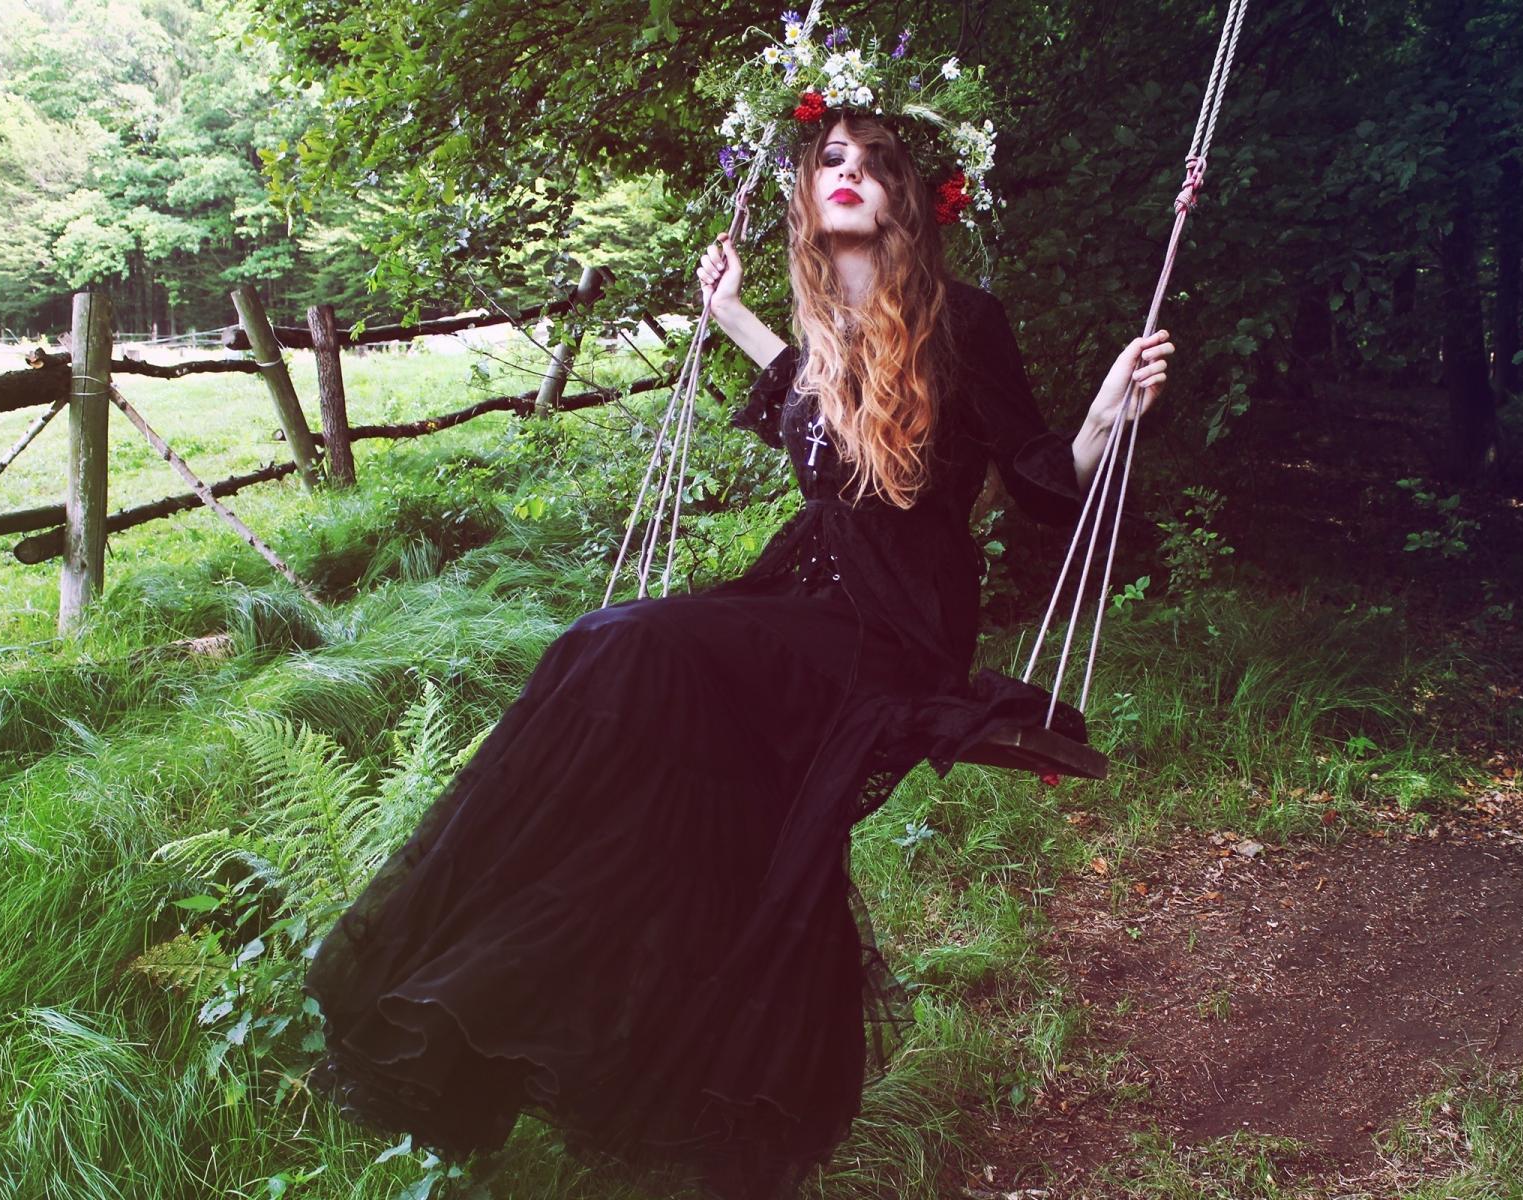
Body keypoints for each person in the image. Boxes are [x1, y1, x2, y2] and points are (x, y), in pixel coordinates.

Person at [302, 109, 1174, 1200]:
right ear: (804, 197)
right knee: (619, 675)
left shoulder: (966, 321)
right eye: (829, 160)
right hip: (807, 599)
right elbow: (810, 396)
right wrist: (726, 314)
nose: (848, 173)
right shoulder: (820, 336)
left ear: (908, 196)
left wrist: (1106, 413)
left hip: (898, 624)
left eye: (873, 163)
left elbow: (1046, 483)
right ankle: (502, 980)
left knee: (628, 645)